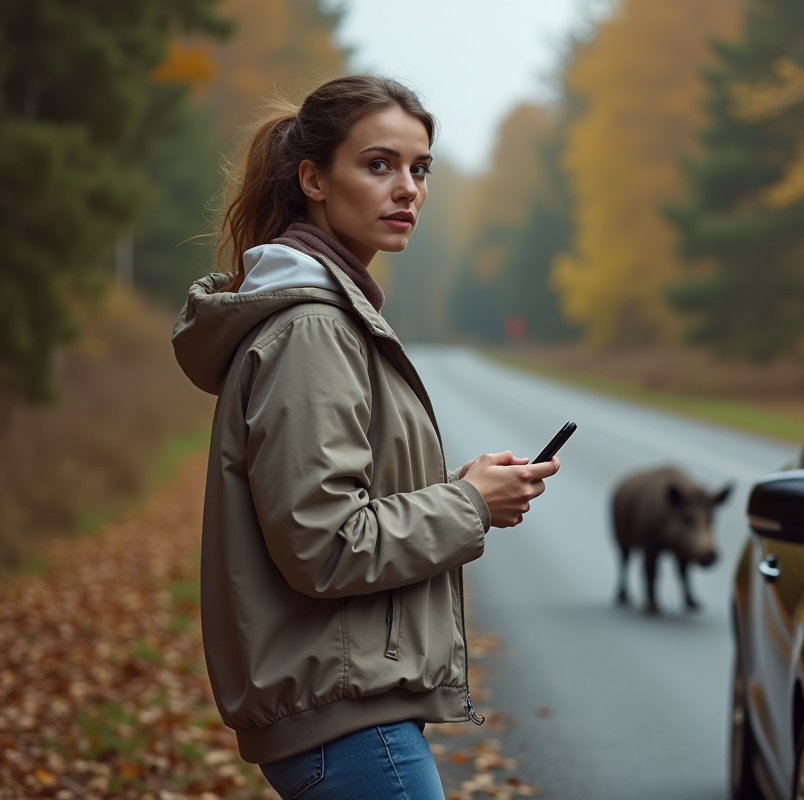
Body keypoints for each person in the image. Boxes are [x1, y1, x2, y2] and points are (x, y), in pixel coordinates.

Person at [171, 74, 559, 799]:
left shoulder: (325, 317)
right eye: (379, 165)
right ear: (314, 179)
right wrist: (469, 505)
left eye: (420, 169)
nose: (408, 188)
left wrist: (460, 489)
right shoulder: (315, 329)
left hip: (346, 711)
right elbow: (324, 542)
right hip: (347, 720)